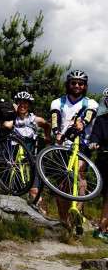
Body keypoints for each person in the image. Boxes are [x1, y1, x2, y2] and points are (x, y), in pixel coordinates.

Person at [50, 70, 98, 225]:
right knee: (62, 185)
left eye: (80, 83)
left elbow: (89, 115)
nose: (77, 85)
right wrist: (56, 132)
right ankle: (64, 220)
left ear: (85, 86)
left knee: (79, 175)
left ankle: (76, 211)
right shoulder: (58, 102)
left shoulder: (90, 103)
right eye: (73, 82)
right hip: (62, 144)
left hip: (82, 145)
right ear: (68, 84)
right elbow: (55, 117)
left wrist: (82, 123)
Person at [3, 91, 50, 204]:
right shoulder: (12, 117)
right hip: (14, 153)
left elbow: (47, 125)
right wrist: (12, 113)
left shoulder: (34, 119)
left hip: (30, 153)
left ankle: (39, 208)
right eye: (19, 103)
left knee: (34, 188)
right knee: (13, 185)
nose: (22, 105)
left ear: (29, 105)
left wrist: (47, 137)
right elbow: (6, 125)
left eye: (25, 103)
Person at [89, 88, 108, 241]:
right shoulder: (101, 120)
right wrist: (94, 143)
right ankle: (101, 229)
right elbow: (95, 136)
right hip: (105, 160)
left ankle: (102, 228)